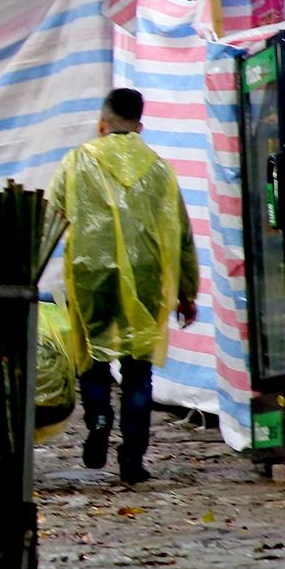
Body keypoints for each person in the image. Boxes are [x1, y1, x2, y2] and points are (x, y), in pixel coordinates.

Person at [45, 88, 198, 485]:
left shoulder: (77, 161)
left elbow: (52, 213)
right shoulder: (161, 169)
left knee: (92, 360)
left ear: (101, 123)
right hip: (148, 279)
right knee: (137, 371)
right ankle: (133, 458)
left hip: (90, 274)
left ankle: (98, 420)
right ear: (140, 126)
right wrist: (187, 290)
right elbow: (181, 232)